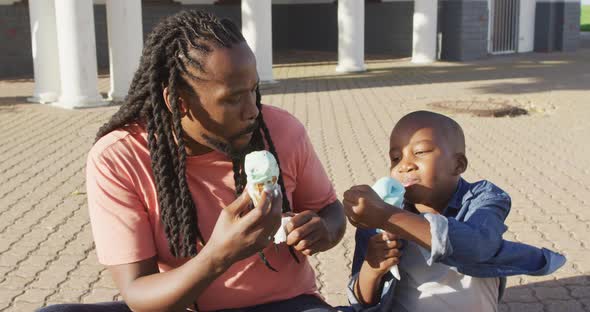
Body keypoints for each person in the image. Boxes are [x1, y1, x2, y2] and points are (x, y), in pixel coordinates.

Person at [39, 10, 345, 312]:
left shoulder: (283, 131)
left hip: (286, 305)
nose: (252, 110)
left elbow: (331, 209)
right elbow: (137, 293)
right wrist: (218, 255)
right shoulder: (119, 157)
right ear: (178, 103)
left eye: (254, 90)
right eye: (233, 98)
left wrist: (324, 230)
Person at [342, 111, 566, 312]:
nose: (405, 165)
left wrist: (388, 216)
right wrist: (371, 270)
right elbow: (362, 303)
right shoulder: (376, 221)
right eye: (396, 158)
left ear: (458, 165)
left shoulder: (484, 197)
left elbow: (479, 246)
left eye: (419, 152)